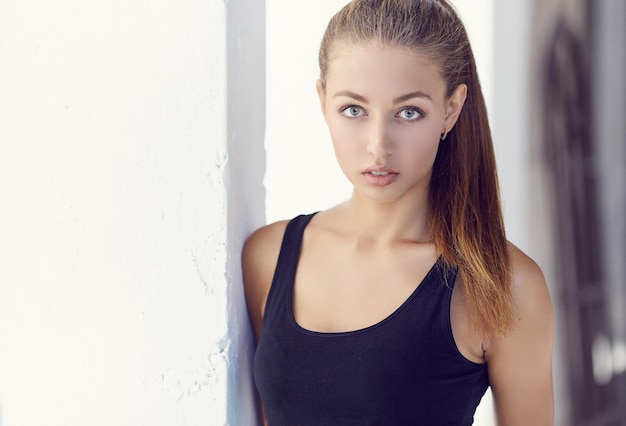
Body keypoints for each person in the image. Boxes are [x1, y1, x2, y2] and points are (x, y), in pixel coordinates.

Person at [242, 0, 554, 424]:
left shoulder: (502, 284)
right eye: (354, 109)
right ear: (322, 100)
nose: (378, 145)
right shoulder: (268, 256)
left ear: (451, 109)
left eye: (409, 112)